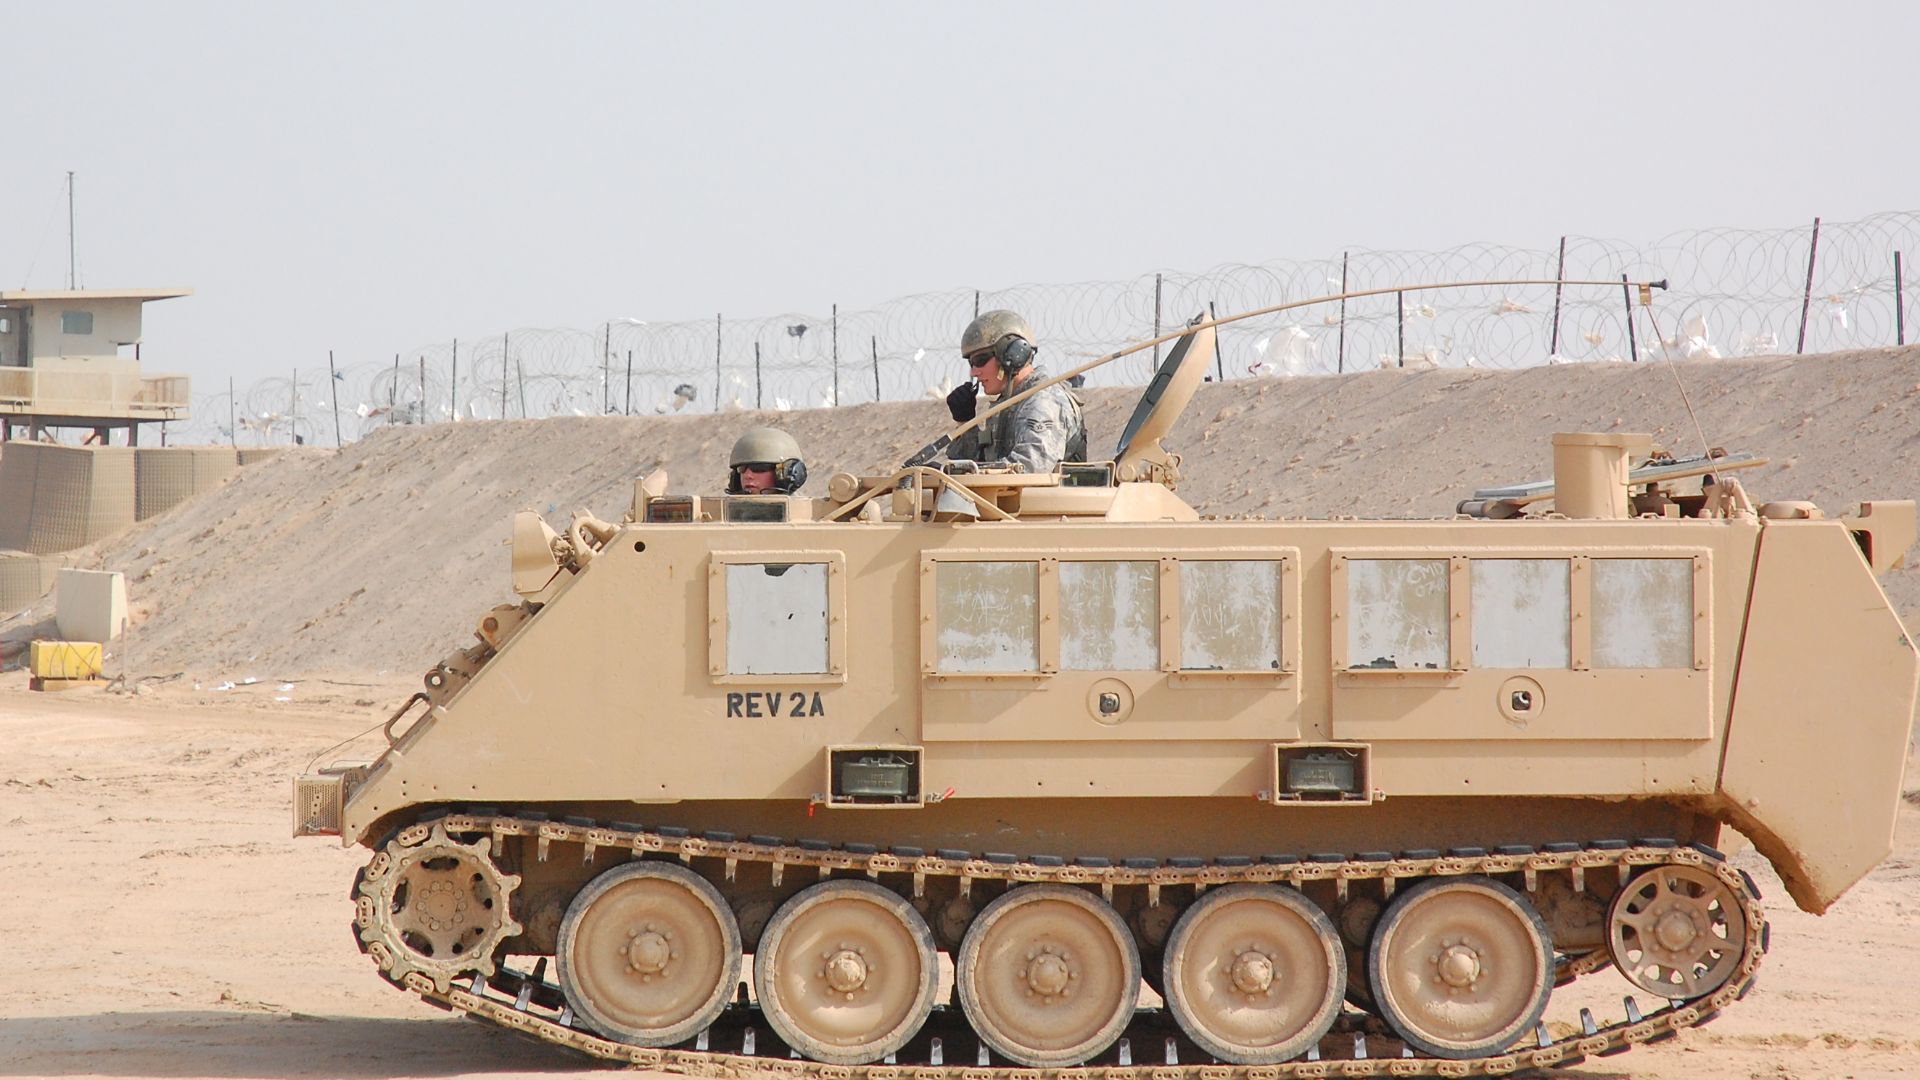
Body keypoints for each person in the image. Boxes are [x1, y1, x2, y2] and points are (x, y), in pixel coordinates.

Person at [944, 310, 1087, 473]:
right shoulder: (1010, 403)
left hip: (1042, 498)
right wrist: (966, 423)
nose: (974, 372)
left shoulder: (1043, 402)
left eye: (980, 361)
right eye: (971, 363)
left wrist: (965, 471)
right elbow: (981, 464)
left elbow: (1028, 469)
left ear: (1012, 355)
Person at [726, 426, 808, 494]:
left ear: (787, 474)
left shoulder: (804, 512)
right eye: (742, 469)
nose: (748, 476)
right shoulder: (727, 511)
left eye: (759, 468)